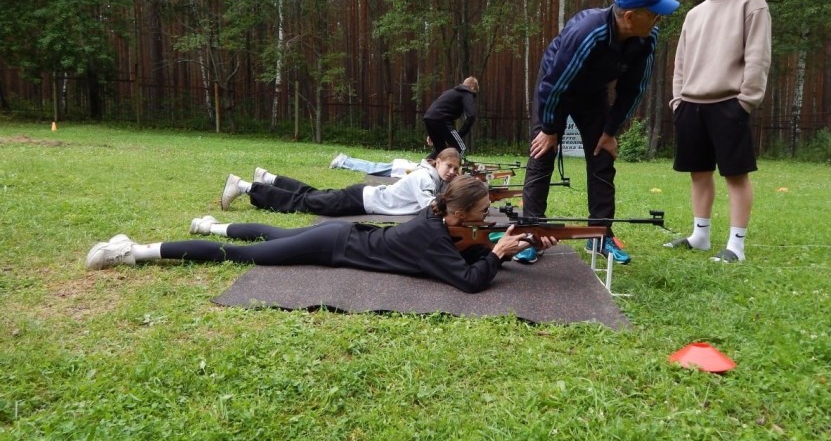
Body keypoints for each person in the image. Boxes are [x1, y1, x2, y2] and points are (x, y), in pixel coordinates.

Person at [84, 176, 557, 293]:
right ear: (455, 211)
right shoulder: (431, 237)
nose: (483, 220)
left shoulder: (440, 224)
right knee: (244, 256)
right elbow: (471, 280)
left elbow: (474, 258)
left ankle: (210, 223)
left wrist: (514, 248)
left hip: (341, 239)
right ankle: (133, 252)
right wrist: (499, 253)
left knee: (273, 232)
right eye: (479, 214)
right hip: (335, 246)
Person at [515, 0, 680, 265]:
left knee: (602, 154)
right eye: (654, 15)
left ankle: (600, 235)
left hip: (593, 94)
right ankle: (531, 234)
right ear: (630, 16)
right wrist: (551, 130)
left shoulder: (646, 37)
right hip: (555, 87)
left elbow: (634, 88)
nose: (659, 21)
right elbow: (555, 85)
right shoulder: (587, 33)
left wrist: (610, 130)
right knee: (542, 152)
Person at [664, 0, 771, 263]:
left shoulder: (752, 3)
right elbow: (680, 61)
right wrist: (677, 100)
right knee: (699, 172)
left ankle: (736, 246)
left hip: (729, 102)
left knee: (735, 174)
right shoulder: (694, 14)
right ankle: (700, 236)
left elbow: (758, 56)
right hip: (690, 105)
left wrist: (746, 100)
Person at [220, 148, 461, 216]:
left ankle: (267, 177)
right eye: (448, 166)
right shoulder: (424, 178)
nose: (451, 172)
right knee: (303, 202)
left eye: (456, 169)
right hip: (360, 200)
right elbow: (431, 208)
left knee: (312, 194)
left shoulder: (432, 177)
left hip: (361, 196)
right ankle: (243, 186)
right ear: (436, 162)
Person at [423, 76, 479, 160]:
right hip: (441, 120)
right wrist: (460, 134)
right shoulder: (467, 93)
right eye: (474, 92)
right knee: (460, 148)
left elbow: (440, 110)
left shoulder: (450, 92)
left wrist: (434, 131)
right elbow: (471, 116)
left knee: (440, 151)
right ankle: (454, 170)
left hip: (429, 118)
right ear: (472, 88)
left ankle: (423, 166)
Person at [329, 152, 418, 178]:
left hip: (403, 167)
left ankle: (344, 160)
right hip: (402, 169)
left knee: (372, 166)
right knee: (372, 168)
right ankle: (343, 161)